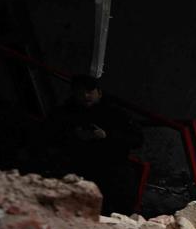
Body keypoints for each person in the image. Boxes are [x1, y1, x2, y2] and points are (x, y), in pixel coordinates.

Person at [48, 75, 143, 214]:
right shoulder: (65, 113)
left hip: (113, 170)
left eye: (90, 91)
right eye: (81, 93)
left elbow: (137, 139)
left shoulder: (116, 113)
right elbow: (51, 137)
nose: (86, 96)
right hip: (80, 169)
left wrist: (107, 136)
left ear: (99, 92)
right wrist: (75, 136)